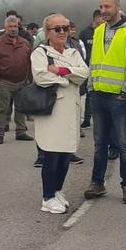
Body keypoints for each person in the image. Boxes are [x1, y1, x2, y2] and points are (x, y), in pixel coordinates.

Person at [32, 13, 89, 213]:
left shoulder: (73, 52)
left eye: (65, 27)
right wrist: (67, 78)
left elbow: (84, 73)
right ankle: (47, 197)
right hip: (52, 112)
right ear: (48, 33)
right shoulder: (40, 53)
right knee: (51, 153)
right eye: (58, 29)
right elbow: (40, 76)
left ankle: (57, 190)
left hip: (71, 110)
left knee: (66, 153)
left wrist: (60, 70)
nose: (63, 32)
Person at [84, 0, 126, 203]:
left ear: (118, 6)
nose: (104, 11)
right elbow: (93, 62)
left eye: (107, 7)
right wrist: (91, 87)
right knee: (100, 144)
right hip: (98, 96)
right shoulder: (98, 32)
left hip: (119, 98)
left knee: (124, 144)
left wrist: (125, 91)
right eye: (101, 7)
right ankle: (97, 183)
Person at [0, 15, 33, 145]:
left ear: (18, 26)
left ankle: (21, 131)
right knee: (3, 109)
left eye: (15, 26)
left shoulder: (25, 43)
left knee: (20, 108)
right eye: (10, 26)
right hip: (5, 82)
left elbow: (30, 61)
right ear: (5, 27)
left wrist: (29, 79)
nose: (13, 29)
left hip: (22, 81)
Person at [79, 10, 103, 128]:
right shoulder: (85, 33)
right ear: (96, 18)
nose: (103, 20)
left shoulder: (104, 32)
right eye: (101, 18)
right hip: (87, 68)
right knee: (88, 95)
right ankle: (86, 120)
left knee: (97, 96)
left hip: (101, 69)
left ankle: (99, 121)